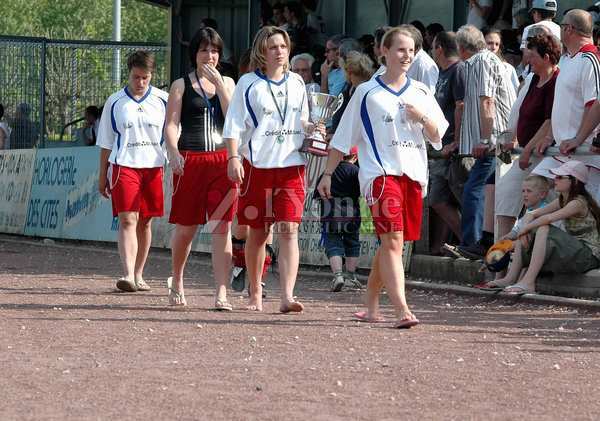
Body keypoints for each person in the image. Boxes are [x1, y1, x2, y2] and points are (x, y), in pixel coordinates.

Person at [318, 27, 448, 328]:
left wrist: (422, 117)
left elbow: (438, 134)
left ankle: (371, 306)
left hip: (413, 175)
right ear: (384, 52)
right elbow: (342, 138)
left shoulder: (421, 91)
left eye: (412, 50)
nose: (407, 55)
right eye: (400, 49)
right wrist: (327, 174)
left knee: (394, 244)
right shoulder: (366, 92)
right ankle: (402, 308)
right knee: (391, 241)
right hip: (379, 176)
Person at [224, 26, 314, 313]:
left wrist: (314, 129)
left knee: (289, 230)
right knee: (259, 232)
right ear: (262, 51)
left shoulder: (298, 83)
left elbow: (303, 121)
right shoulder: (248, 83)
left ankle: (287, 295)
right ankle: (255, 294)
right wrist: (233, 158)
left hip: (291, 166)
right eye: (273, 47)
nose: (279, 52)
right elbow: (234, 125)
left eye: (283, 46)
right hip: (258, 166)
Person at [163, 27, 236, 309]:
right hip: (190, 159)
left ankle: (221, 292)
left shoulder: (228, 83)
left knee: (222, 227)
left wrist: (220, 88)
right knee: (186, 229)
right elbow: (171, 124)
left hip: (221, 160)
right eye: (204, 50)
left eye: (215, 50)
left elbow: (234, 121)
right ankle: (177, 279)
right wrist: (172, 151)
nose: (210, 56)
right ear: (194, 54)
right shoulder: (180, 85)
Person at [96, 51, 169, 292]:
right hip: (124, 165)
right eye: (136, 77)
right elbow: (106, 141)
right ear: (129, 73)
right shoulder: (115, 102)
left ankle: (139, 274)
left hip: (153, 166)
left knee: (145, 222)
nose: (140, 83)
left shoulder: (163, 100)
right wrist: (102, 174)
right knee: (128, 218)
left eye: (145, 78)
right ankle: (127, 274)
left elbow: (173, 133)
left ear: (152, 76)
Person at [491, 161, 600, 295]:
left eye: (560, 177)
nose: (555, 180)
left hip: (588, 256)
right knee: (533, 229)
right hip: (574, 252)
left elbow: (548, 218)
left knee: (542, 228)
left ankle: (528, 282)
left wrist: (524, 230)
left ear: (575, 181)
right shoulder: (562, 199)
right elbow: (532, 213)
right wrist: (524, 230)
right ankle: (510, 278)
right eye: (555, 176)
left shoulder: (578, 202)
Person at [455, 25, 516, 254]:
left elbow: (487, 101)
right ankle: (479, 242)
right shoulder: (482, 60)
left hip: (496, 140)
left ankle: (474, 243)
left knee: (476, 189)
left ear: (461, 48)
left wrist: (484, 139)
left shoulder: (481, 61)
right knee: (486, 190)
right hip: (498, 139)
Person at [495, 33, 561, 239]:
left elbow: (549, 120)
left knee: (549, 203)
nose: (528, 61)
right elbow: (519, 112)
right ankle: (501, 252)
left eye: (532, 56)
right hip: (527, 151)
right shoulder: (533, 79)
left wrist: (528, 149)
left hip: (545, 154)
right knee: (506, 194)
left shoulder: (557, 80)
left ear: (547, 58)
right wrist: (511, 137)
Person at [534, 10, 600, 194]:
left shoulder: (590, 59)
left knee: (584, 214)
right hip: (562, 151)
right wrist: (549, 136)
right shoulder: (565, 59)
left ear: (569, 29)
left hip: (584, 154)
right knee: (533, 188)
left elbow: (594, 104)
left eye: (561, 26)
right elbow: (561, 104)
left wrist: (578, 139)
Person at [429, 31, 469, 251]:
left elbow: (461, 106)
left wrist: (458, 141)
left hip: (454, 147)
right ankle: (466, 242)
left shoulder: (458, 70)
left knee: (461, 197)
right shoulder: (442, 73)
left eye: (433, 47)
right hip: (441, 145)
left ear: (440, 48)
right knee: (438, 199)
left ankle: (474, 244)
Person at [475, 174, 551, 289]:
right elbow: (517, 229)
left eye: (529, 191)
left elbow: (541, 234)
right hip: (530, 246)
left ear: (542, 194)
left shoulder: (545, 210)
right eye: (523, 191)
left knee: (522, 244)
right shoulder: (528, 210)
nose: (525, 194)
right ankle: (503, 275)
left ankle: (518, 281)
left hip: (546, 248)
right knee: (508, 243)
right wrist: (507, 237)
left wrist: (510, 244)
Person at [314, 147, 361, 292]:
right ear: (355, 156)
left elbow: (317, 194)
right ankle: (351, 277)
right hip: (352, 215)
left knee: (333, 244)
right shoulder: (356, 172)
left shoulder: (327, 173)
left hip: (330, 215)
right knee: (352, 244)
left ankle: (338, 276)